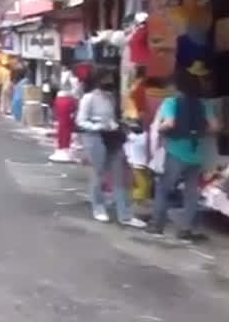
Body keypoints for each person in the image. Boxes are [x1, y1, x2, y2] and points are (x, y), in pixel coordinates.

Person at [147, 67, 220, 241]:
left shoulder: (171, 102)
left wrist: (158, 128)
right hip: (196, 153)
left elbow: (170, 123)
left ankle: (157, 225)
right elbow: (216, 127)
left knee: (164, 189)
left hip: (175, 152)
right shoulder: (205, 103)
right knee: (191, 192)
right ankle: (185, 229)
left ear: (176, 85)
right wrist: (199, 131)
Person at [76, 71, 146, 228]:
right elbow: (81, 121)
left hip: (113, 137)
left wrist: (123, 125)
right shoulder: (89, 98)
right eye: (105, 79)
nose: (108, 82)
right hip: (96, 138)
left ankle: (125, 214)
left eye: (110, 79)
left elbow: (113, 118)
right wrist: (98, 126)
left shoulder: (112, 97)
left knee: (121, 176)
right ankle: (98, 207)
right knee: (99, 174)